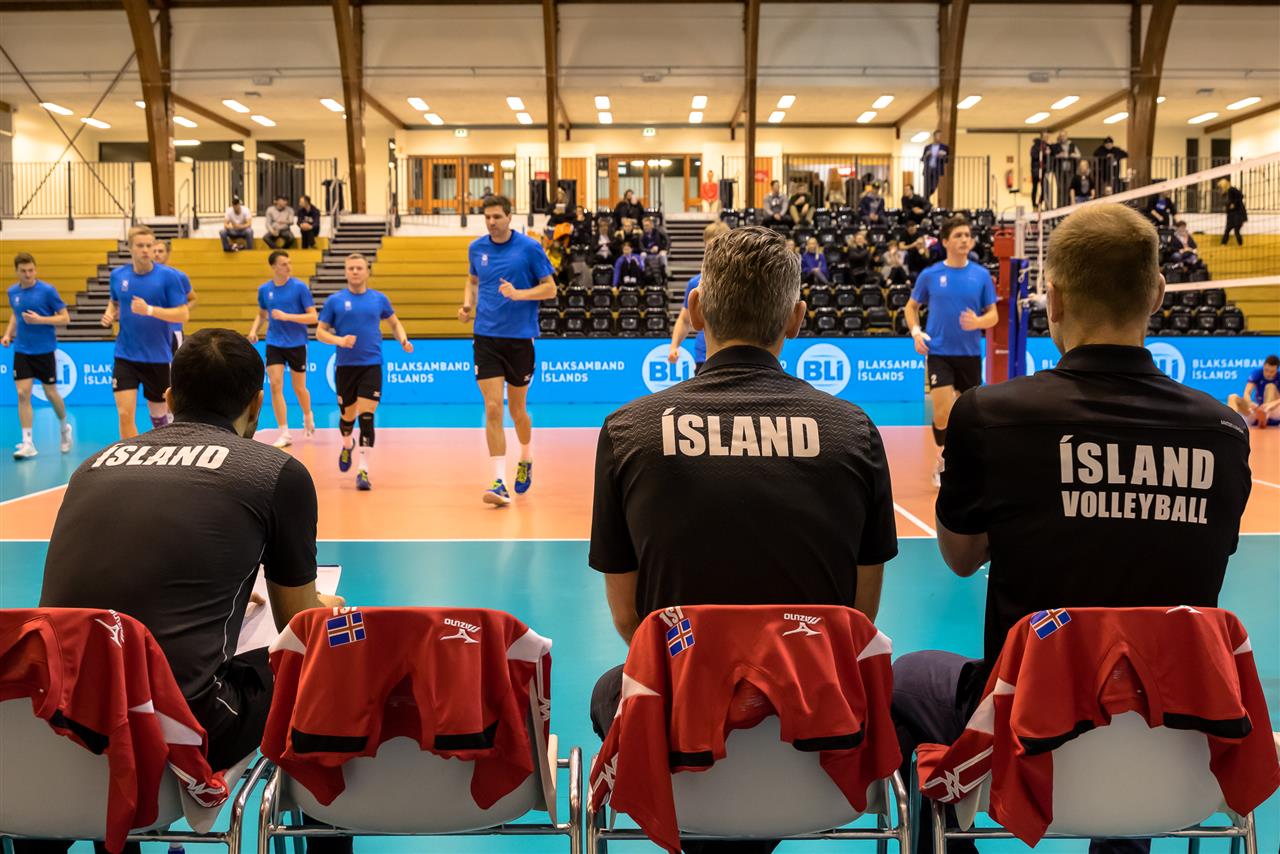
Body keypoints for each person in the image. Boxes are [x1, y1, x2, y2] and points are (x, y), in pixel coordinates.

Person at [892, 203, 1252, 854]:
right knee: (1141, 680)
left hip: (1028, 730)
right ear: (1157, 294)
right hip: (1177, 741)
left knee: (904, 680)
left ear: (1053, 300)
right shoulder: (1224, 432)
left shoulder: (990, 416)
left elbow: (960, 557)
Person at [590, 226, 898, 854]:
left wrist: (712, 670)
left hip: (683, 729)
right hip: (815, 735)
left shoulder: (629, 431)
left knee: (608, 689)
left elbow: (631, 619)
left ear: (697, 309)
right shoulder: (853, 430)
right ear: (797, 318)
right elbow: (857, 618)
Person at [33, 328, 350, 854]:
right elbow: (298, 623)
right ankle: (319, 833)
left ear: (171, 397)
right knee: (320, 661)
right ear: (256, 404)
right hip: (181, 723)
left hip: (59, 715)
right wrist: (324, 608)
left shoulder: (93, 465)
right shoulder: (275, 471)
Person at [458, 195, 557, 506]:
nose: (491, 222)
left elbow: (550, 288)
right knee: (492, 408)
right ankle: (499, 482)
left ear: (509, 217)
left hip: (520, 339)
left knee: (517, 412)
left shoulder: (529, 248)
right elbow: (472, 280)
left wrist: (518, 294)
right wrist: (467, 305)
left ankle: (526, 457)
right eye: (487, 217)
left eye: (497, 216)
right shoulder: (476, 248)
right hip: (486, 336)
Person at [903, 216, 998, 487]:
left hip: (969, 355)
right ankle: (943, 459)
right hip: (940, 353)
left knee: (971, 414)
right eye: (958, 235)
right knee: (943, 412)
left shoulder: (981, 275)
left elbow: (993, 316)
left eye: (967, 235)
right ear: (945, 242)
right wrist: (916, 332)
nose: (964, 239)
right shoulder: (930, 275)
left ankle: (968, 460)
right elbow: (911, 307)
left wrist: (978, 322)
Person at [316, 254, 413, 491]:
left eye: (359, 268)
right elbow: (320, 332)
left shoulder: (379, 299)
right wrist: (339, 340)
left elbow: (394, 323)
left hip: (371, 365)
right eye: (351, 268)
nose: (355, 272)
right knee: (347, 417)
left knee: (367, 416)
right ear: (346, 272)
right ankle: (347, 444)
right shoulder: (335, 301)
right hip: (345, 368)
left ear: (367, 271)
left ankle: (363, 470)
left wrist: (402, 339)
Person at [100, 225, 190, 439]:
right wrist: (109, 313)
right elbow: (115, 302)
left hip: (157, 356)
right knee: (124, 414)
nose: (146, 250)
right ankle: (131, 455)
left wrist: (148, 310)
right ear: (130, 247)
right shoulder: (118, 275)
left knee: (159, 416)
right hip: (125, 355)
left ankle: (163, 452)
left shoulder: (168, 276)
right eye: (140, 246)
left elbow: (183, 314)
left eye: (149, 245)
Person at [3, 253, 71, 459]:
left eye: (31, 270)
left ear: (35, 269)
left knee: (51, 393)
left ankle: (64, 428)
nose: (28, 274)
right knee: (22, 394)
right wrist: (8, 334)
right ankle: (27, 442)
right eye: (23, 271)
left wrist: (40, 320)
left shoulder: (47, 291)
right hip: (22, 350)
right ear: (16, 272)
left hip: (44, 351)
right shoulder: (12, 292)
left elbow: (65, 318)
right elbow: (16, 314)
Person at [248, 250, 317, 449]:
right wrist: (253, 330)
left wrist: (287, 317)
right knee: (275, 385)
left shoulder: (300, 288)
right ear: (274, 267)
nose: (288, 267)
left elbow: (313, 317)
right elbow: (262, 314)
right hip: (274, 343)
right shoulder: (265, 290)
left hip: (297, 343)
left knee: (299, 387)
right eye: (284, 264)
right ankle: (284, 432)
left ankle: (307, 414)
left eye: (289, 263)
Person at [669, 221, 730, 372]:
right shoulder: (696, 283)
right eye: (709, 247)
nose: (713, 252)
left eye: (718, 247)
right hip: (704, 358)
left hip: (734, 356)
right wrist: (674, 346)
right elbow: (684, 320)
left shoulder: (741, 281)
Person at [151, 239, 197, 355]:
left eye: (160, 251)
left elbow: (193, 299)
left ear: (167, 254)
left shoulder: (179, 276)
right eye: (154, 251)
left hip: (173, 331)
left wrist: (180, 311)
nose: (157, 254)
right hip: (149, 331)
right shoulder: (142, 276)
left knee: (174, 363)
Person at [1228, 354, 1280, 428]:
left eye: (1272, 371)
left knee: (1270, 386)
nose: (1268, 374)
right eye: (1266, 370)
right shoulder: (1257, 373)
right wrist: (1250, 404)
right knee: (1232, 397)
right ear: (1264, 366)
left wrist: (1272, 404)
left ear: (1277, 370)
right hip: (1256, 414)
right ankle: (1230, 426)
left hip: (1273, 413)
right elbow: (1247, 392)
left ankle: (1265, 415)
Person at [1051, 131, 1081, 208]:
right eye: (1061, 136)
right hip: (1059, 171)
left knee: (1069, 187)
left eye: (1064, 136)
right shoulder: (1055, 146)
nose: (1062, 137)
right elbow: (1051, 156)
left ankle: (1068, 205)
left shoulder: (1072, 145)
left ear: (1067, 136)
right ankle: (1060, 205)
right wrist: (1058, 156)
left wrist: (1073, 155)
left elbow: (1079, 155)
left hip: (1070, 170)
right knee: (1060, 188)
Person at [921, 131, 950, 200]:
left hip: (937, 170)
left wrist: (942, 156)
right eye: (937, 136)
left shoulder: (945, 147)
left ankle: (924, 199)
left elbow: (947, 160)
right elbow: (922, 159)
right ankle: (926, 200)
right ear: (934, 137)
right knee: (926, 187)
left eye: (940, 136)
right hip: (928, 169)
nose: (938, 138)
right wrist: (927, 155)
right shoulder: (927, 147)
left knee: (933, 187)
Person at [1219, 178, 1247, 246]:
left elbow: (1241, 196)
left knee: (1235, 229)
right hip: (1232, 214)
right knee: (1229, 229)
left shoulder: (1231, 189)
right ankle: (1224, 243)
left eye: (1221, 186)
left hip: (1237, 214)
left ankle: (1239, 244)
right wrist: (1228, 206)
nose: (1220, 188)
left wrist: (1233, 203)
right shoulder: (1227, 192)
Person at [1029, 131, 1052, 209]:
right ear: (1042, 137)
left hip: (1044, 170)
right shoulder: (1036, 146)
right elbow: (1034, 155)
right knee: (1035, 187)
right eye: (1045, 136)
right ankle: (1034, 204)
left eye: (1047, 136)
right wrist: (1043, 153)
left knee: (1045, 187)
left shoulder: (1048, 146)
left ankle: (1040, 202)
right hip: (1036, 170)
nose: (1046, 138)